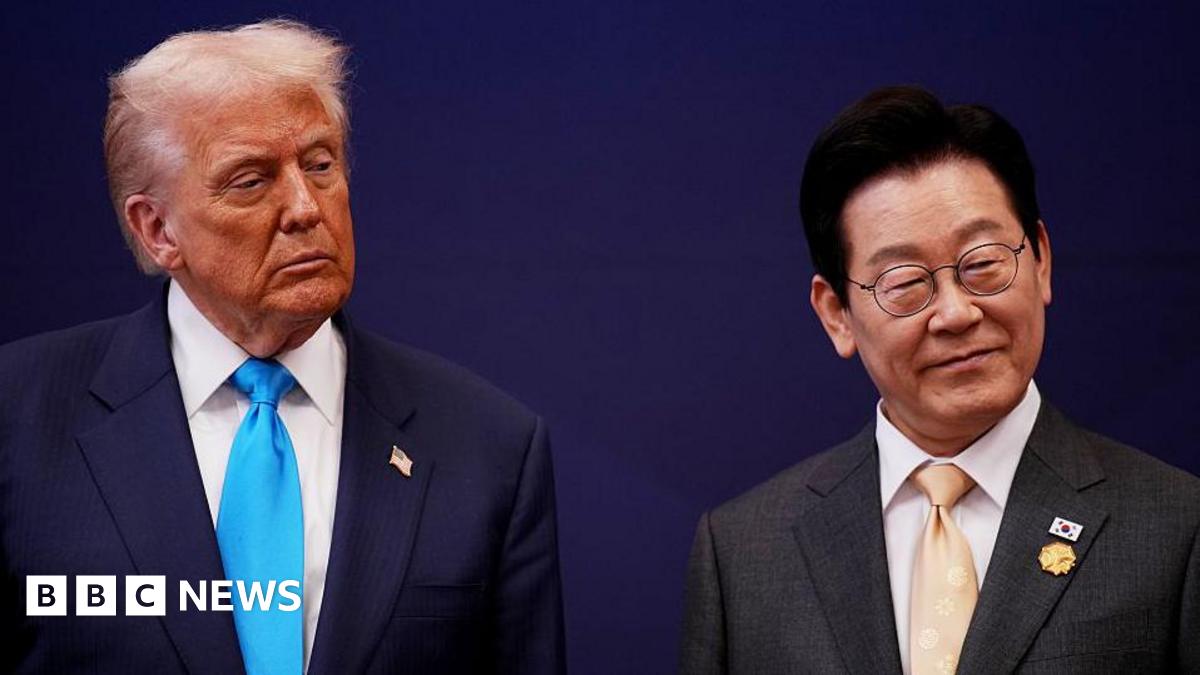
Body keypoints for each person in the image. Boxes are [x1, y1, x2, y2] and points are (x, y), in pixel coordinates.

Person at [0, 20, 565, 674]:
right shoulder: (19, 422)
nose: (304, 206)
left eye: (321, 163)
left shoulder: (488, 444)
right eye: (250, 180)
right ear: (156, 229)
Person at [678, 86, 1200, 674]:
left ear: (1042, 260)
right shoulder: (743, 553)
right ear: (836, 314)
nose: (956, 313)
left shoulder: (1177, 529)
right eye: (904, 283)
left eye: (982, 264)